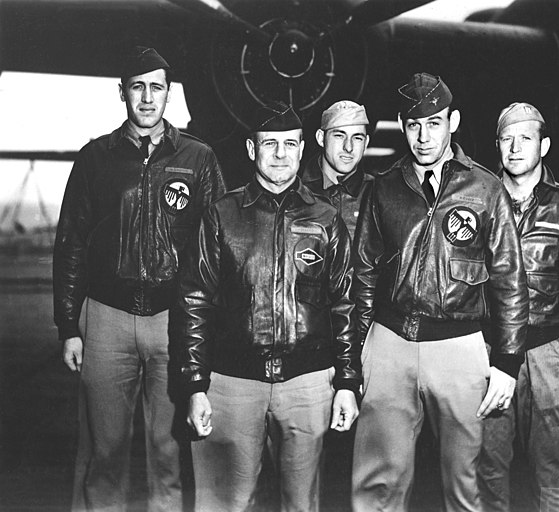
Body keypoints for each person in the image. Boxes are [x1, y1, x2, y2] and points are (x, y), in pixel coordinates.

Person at [53, 46, 226, 511]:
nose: (147, 98)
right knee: (104, 451)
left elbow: (216, 249)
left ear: (170, 94)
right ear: (122, 93)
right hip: (107, 319)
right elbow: (70, 243)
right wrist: (70, 325)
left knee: (169, 453)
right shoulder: (95, 159)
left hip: (173, 320)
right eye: (138, 87)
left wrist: (211, 326)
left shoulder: (199, 158)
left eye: (157, 88)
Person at [350, 72, 529, 512]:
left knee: (464, 485)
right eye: (413, 125)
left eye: (434, 123)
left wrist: (506, 362)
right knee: (377, 484)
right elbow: (364, 275)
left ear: (453, 121)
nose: (423, 136)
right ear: (401, 125)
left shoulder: (486, 189)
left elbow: (509, 280)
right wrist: (353, 353)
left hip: (459, 347)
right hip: (389, 344)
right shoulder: (383, 188)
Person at [177, 101, 361, 512]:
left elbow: (345, 304)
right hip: (231, 384)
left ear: (301, 149)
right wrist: (193, 385)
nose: (280, 154)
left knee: (303, 504)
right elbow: (193, 302)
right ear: (250, 149)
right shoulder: (222, 215)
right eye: (270, 144)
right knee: (226, 502)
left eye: (290, 144)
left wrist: (347, 382)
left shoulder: (326, 219)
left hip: (307, 385)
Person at [478, 102, 559, 512]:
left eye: (526, 138)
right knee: (487, 464)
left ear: (544, 145)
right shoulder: (478, 203)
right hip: (487, 352)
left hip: (547, 353)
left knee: (550, 466)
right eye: (507, 139)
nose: (515, 148)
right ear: (497, 145)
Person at [300, 100, 372, 239]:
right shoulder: (296, 191)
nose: (348, 147)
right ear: (321, 138)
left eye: (357, 138)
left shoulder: (378, 195)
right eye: (339, 135)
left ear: (366, 143)